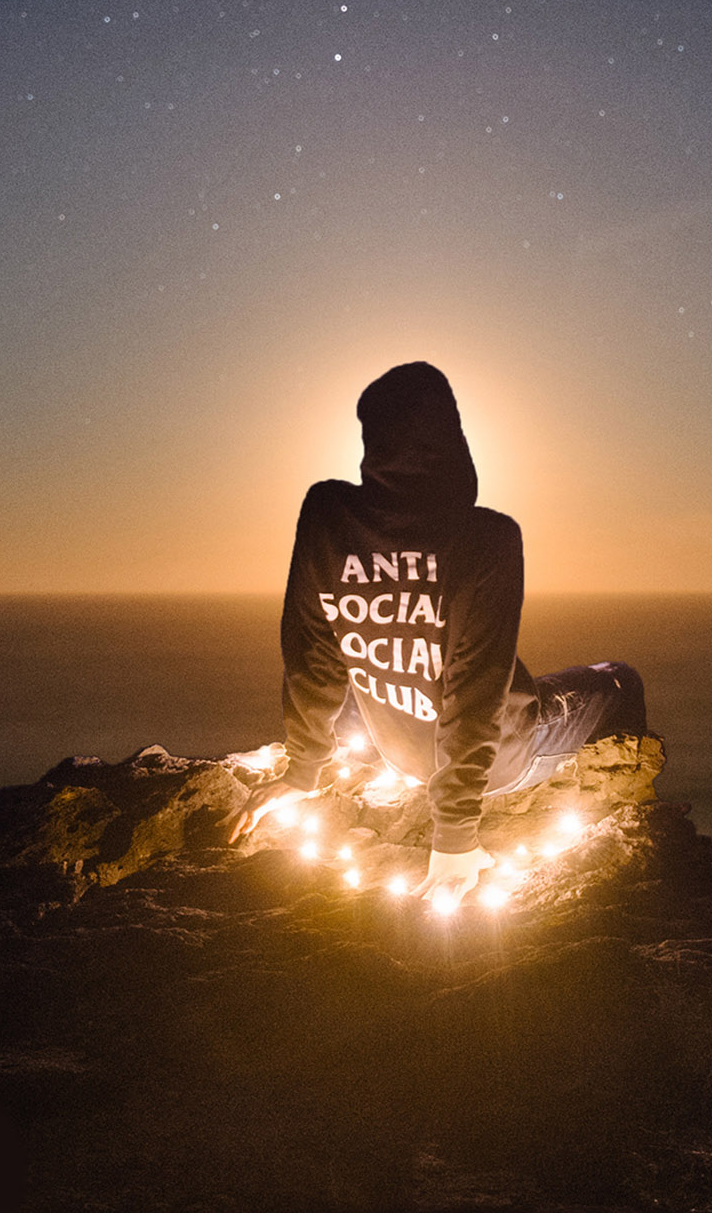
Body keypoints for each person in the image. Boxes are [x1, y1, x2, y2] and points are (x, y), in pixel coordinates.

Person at [230, 361, 647, 912]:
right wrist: (453, 839)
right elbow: (474, 691)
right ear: (454, 440)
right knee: (618, 679)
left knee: (366, 670)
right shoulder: (488, 538)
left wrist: (304, 770)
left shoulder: (325, 513)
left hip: (395, 747)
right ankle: (629, 826)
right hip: (492, 762)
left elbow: (312, 653)